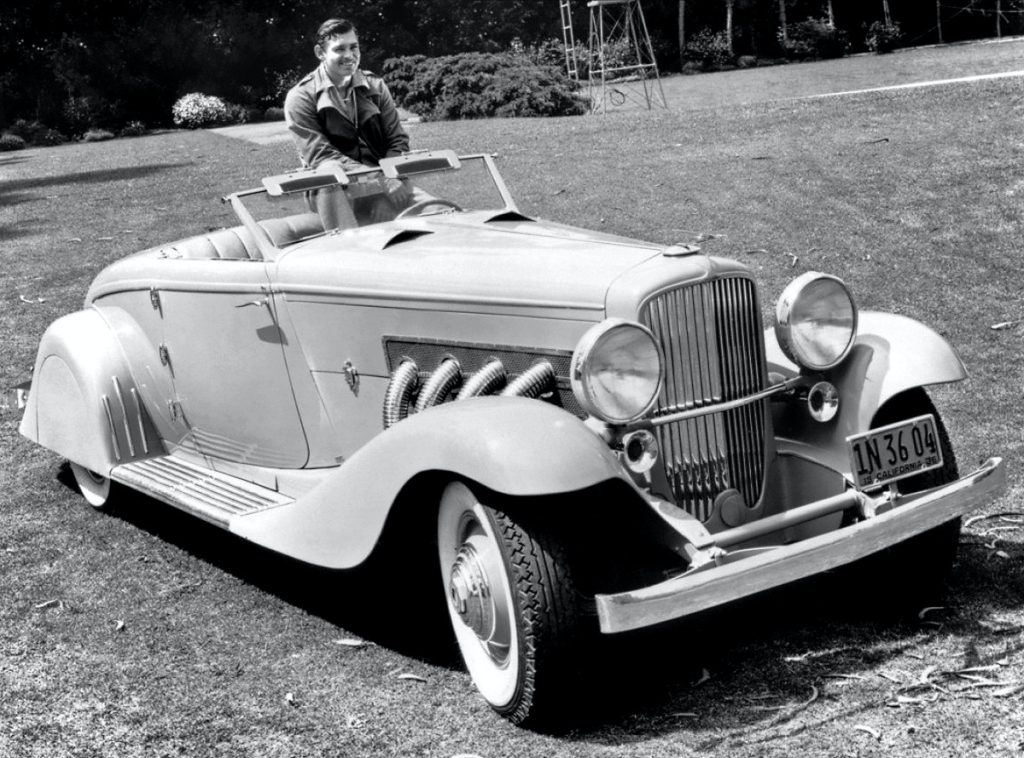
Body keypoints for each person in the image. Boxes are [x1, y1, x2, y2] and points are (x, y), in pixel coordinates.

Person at [285, 18, 413, 228]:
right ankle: (348, 252)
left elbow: (397, 141)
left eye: (354, 47)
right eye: (339, 49)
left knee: (437, 211)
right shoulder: (300, 97)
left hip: (388, 181)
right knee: (330, 170)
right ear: (320, 53)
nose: (350, 55)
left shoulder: (376, 86)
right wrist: (380, 181)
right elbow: (322, 156)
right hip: (335, 189)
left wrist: (387, 188)